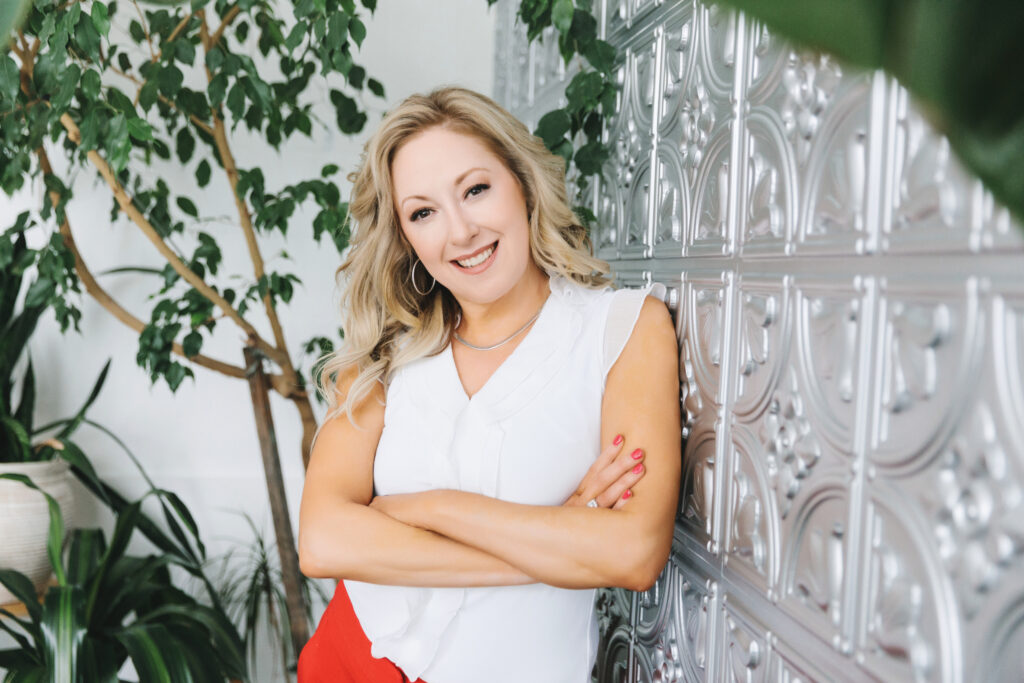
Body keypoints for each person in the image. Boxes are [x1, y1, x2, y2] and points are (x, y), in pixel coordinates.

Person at [297, 85, 681, 683]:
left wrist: (423, 508)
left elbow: (632, 553)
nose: (461, 233)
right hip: (350, 662)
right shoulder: (383, 354)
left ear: (521, 183)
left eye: (476, 190)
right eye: (423, 212)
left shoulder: (624, 330)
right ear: (406, 238)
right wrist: (556, 542)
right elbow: (322, 541)